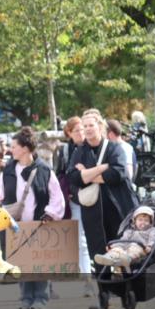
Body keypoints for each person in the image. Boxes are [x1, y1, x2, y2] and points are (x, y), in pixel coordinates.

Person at [67, 109, 138, 309]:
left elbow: (118, 174)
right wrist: (100, 169)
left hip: (117, 208)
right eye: (84, 126)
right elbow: (74, 177)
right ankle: (104, 294)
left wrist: (87, 175)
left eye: (91, 125)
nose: (88, 129)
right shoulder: (79, 151)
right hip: (93, 212)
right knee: (97, 253)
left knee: (122, 250)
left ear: (100, 126)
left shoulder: (114, 148)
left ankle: (127, 291)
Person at [0, 127, 65, 309]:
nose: (11, 150)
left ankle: (41, 298)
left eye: (14, 146)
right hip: (15, 225)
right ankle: (26, 298)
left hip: (39, 223)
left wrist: (49, 214)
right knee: (21, 261)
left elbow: (56, 196)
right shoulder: (8, 169)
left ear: (25, 148)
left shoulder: (44, 170)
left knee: (39, 261)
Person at [55, 116, 93, 297]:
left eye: (82, 129)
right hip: (74, 199)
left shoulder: (92, 147)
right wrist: (67, 192)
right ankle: (87, 280)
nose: (81, 133)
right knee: (81, 241)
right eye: (76, 130)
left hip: (94, 197)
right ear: (69, 133)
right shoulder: (64, 151)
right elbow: (59, 174)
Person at [94, 205, 155, 270]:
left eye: (146, 220)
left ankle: (126, 259)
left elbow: (153, 239)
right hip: (126, 248)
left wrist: (149, 246)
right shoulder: (129, 231)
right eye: (140, 220)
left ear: (150, 222)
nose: (143, 222)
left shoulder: (152, 230)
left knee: (134, 249)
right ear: (135, 221)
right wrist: (113, 246)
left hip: (141, 250)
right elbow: (123, 241)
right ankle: (108, 257)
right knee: (118, 248)